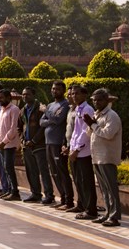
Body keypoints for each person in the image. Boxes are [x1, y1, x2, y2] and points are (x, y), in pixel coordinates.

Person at [87, 89, 122, 226]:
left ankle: (114, 216)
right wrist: (91, 123)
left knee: (111, 187)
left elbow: (108, 134)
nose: (96, 102)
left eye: (99, 100)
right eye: (94, 100)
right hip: (97, 155)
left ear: (107, 100)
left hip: (107, 156)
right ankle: (108, 213)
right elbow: (90, 134)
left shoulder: (111, 116)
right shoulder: (98, 114)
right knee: (104, 188)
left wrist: (93, 124)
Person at [68, 87, 98, 220]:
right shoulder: (77, 109)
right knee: (78, 180)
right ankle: (82, 205)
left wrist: (77, 149)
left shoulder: (88, 110)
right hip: (75, 150)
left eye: (77, 93)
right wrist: (71, 147)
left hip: (83, 152)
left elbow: (86, 132)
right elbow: (75, 131)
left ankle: (91, 209)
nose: (74, 96)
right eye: (73, 93)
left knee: (86, 181)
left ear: (85, 95)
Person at [42, 81, 73, 211]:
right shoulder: (51, 105)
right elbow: (41, 122)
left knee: (62, 171)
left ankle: (68, 200)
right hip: (48, 142)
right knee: (53, 172)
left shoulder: (65, 105)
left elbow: (58, 120)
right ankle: (62, 197)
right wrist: (50, 117)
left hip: (58, 142)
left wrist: (46, 111)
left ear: (63, 90)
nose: (55, 91)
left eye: (58, 89)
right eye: (54, 89)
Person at [19, 87, 51, 204]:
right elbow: (20, 127)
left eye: (27, 94)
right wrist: (22, 139)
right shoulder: (22, 110)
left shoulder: (40, 109)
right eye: (23, 95)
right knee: (31, 171)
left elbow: (42, 127)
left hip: (39, 145)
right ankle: (35, 193)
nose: (25, 97)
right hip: (27, 145)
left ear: (33, 95)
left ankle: (49, 195)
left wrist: (34, 140)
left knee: (43, 171)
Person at [0, 88, 20, 199]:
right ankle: (8, 190)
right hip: (2, 144)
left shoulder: (14, 109)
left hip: (10, 144)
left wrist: (4, 142)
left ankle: (15, 192)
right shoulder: (2, 109)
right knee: (5, 167)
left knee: (9, 167)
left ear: (9, 98)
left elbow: (13, 129)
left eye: (2, 97)